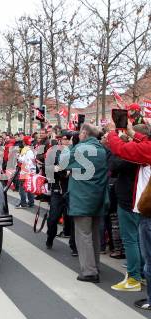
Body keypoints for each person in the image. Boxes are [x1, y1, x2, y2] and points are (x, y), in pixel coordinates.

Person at [106, 122, 151, 310]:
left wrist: (112, 133)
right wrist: (132, 133)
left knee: (138, 248)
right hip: (137, 206)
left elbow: (120, 151)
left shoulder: (145, 149)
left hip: (143, 209)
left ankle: (135, 279)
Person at [60, 123, 109, 283]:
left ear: (84, 133)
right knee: (94, 234)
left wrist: (68, 146)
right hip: (98, 196)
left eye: (80, 133)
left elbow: (63, 162)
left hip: (82, 196)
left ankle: (89, 271)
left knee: (83, 235)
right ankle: (95, 265)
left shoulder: (80, 148)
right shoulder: (103, 150)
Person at [16, 135, 35, 208]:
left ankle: (23, 203)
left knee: (22, 188)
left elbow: (22, 159)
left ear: (24, 142)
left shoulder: (25, 149)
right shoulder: (31, 148)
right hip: (32, 170)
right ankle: (31, 202)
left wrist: (18, 156)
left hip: (25, 170)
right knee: (30, 187)